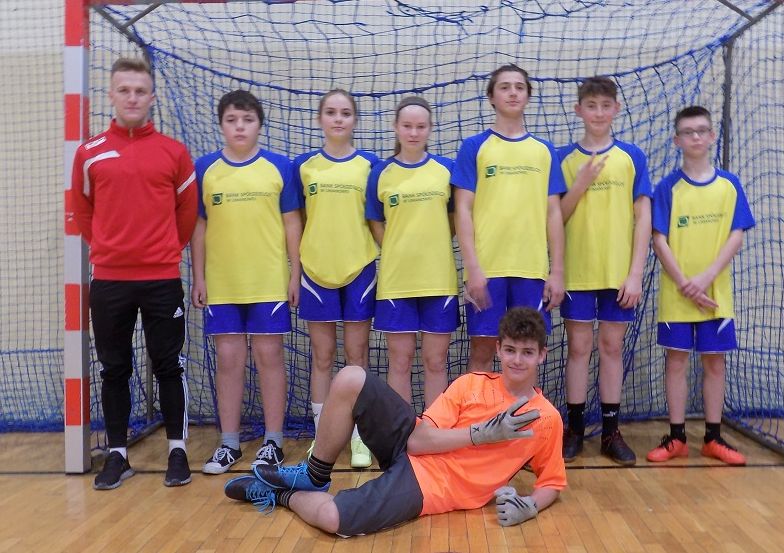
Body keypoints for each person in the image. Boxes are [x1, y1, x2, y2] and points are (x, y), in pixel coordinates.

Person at [224, 307, 566, 536]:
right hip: (413, 444)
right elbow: (417, 441)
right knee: (351, 377)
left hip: (431, 487)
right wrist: (479, 435)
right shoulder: (471, 384)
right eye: (510, 350)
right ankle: (315, 474)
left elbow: (552, 481)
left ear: (542, 355)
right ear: (498, 349)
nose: (517, 360)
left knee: (332, 518)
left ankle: (279, 494)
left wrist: (530, 506)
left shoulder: (546, 419)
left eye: (527, 352)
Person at [70, 57, 197, 489]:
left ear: (152, 98)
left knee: (169, 366)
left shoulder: (173, 152)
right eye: (124, 90)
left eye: (140, 91)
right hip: (110, 280)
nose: (132, 98)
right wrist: (110, 248)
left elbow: (186, 214)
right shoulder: (88, 153)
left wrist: (163, 251)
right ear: (111, 94)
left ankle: (177, 451)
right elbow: (83, 211)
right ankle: (118, 455)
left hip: (162, 279)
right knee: (114, 368)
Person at [191, 90, 302, 474]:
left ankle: (274, 442)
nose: (240, 127)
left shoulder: (279, 167)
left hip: (268, 282)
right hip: (223, 284)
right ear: (221, 125)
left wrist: (295, 273)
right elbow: (199, 227)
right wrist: (198, 276)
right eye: (232, 120)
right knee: (228, 359)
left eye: (248, 120)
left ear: (259, 124)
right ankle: (229, 443)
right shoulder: (205, 168)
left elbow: (292, 224)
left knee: (270, 357)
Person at [646, 106, 755, 466]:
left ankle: (713, 437)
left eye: (701, 131)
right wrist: (684, 283)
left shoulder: (729, 185)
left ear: (711, 136)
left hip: (715, 295)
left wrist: (706, 278)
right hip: (676, 295)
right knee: (676, 361)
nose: (695, 137)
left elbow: (736, 235)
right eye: (687, 132)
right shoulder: (667, 188)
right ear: (677, 140)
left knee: (715, 364)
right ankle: (677, 437)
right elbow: (659, 239)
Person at [556, 77, 652, 465]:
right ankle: (575, 430)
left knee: (612, 348)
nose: (598, 113)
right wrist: (580, 184)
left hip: (618, 275)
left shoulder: (631, 157)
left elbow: (643, 217)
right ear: (579, 110)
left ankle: (611, 433)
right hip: (577, 273)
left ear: (616, 109)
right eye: (591, 105)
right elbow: (557, 216)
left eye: (605, 105)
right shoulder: (564, 159)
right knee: (578, 349)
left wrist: (635, 273)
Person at [452, 64, 567, 372]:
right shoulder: (474, 147)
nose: (513, 92)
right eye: (504, 87)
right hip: (487, 270)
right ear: (491, 97)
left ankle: (522, 408)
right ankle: (480, 407)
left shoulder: (544, 151)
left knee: (527, 352)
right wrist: (472, 268)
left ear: (528, 95)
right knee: (483, 350)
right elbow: (462, 210)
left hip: (531, 270)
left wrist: (557, 271)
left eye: (519, 87)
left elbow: (553, 212)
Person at [293, 89, 379, 467]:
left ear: (354, 119)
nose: (338, 119)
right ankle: (322, 439)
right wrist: (296, 270)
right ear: (320, 119)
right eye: (331, 112)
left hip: (359, 269)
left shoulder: (370, 166)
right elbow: (297, 221)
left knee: (357, 357)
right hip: (316, 271)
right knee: (323, 356)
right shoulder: (304, 167)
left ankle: (360, 438)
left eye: (345, 112)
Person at [365, 96, 458, 408]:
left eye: (421, 126)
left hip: (439, 281)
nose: (414, 133)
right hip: (397, 283)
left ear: (430, 129)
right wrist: (396, 247)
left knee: (436, 361)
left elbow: (455, 220)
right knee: (400, 361)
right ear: (395, 127)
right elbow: (375, 221)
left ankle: (434, 427)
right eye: (407, 126)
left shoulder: (446, 170)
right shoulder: (380, 173)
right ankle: (402, 432)